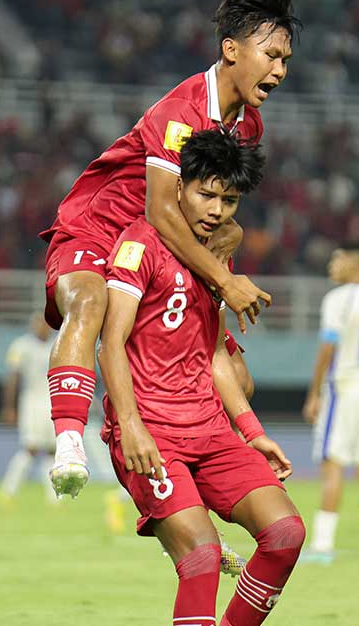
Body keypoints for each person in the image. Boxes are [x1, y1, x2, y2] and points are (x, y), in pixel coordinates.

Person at [40, 0, 300, 498]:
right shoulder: (182, 111)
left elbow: (209, 217)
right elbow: (161, 210)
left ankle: (191, 473)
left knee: (236, 380)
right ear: (231, 49)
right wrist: (224, 280)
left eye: (286, 60)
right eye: (270, 55)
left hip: (160, 256)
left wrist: (229, 242)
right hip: (99, 229)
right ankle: (70, 443)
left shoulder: (248, 127)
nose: (280, 71)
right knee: (89, 305)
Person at [99, 129, 304, 626]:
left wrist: (253, 433)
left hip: (210, 430)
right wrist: (132, 425)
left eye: (228, 199)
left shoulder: (218, 259)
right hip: (152, 433)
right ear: (178, 188)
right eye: (205, 193)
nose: (215, 209)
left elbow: (212, 356)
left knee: (286, 535)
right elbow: (110, 343)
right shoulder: (139, 243)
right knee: (203, 557)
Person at [301, 244, 359, 564]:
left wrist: (314, 392)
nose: (331, 265)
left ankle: (323, 546)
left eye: (336, 259)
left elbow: (328, 346)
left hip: (343, 384)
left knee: (333, 464)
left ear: (354, 263)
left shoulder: (338, 299)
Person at [0, 313, 58, 504]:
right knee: (30, 448)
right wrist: (9, 406)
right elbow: (12, 378)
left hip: (53, 403)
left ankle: (54, 499)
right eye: (38, 324)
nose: (41, 328)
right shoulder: (21, 346)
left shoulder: (57, 344)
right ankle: (8, 492)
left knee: (52, 450)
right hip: (31, 403)